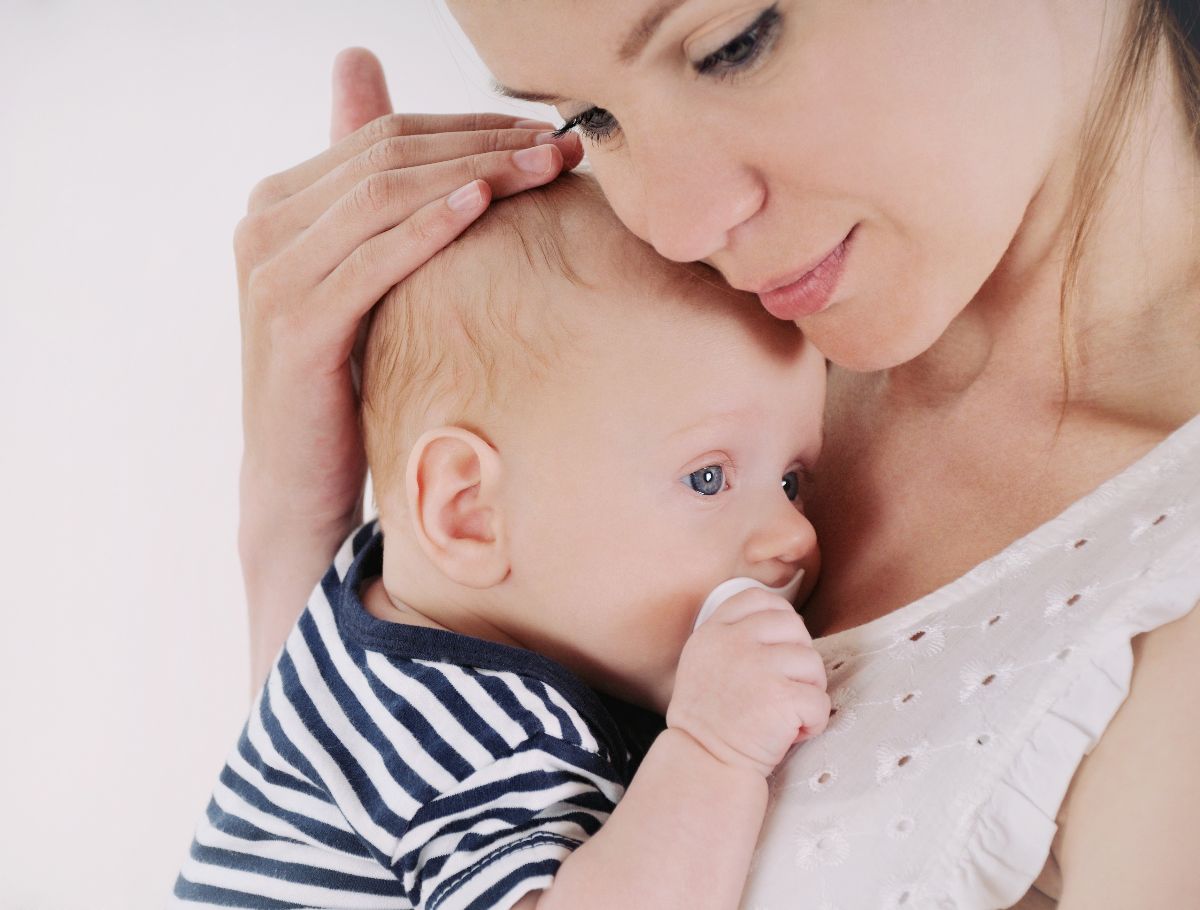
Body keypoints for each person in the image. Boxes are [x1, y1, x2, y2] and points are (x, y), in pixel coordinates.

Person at [231, 0, 1200, 906]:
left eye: (732, 43)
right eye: (594, 117)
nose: (675, 225)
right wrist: (302, 517)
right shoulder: (631, 349)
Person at [174, 176, 831, 908]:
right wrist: (715, 751)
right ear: (468, 512)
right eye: (708, 478)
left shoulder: (378, 592)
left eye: (793, 481)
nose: (794, 535)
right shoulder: (460, 735)